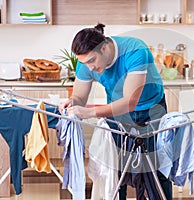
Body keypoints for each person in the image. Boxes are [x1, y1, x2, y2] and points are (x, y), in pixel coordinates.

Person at [59, 23, 172, 199]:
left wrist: (88, 112)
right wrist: (72, 103)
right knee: (116, 168)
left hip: (151, 109)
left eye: (92, 61)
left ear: (104, 48)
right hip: (115, 110)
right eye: (84, 63)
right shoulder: (86, 62)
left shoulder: (135, 50)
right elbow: (80, 97)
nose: (89, 68)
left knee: (156, 167)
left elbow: (130, 102)